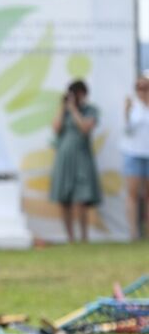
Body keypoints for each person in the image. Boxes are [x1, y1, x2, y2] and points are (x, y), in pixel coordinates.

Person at [50, 79, 101, 244]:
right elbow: (56, 129)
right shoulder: (64, 111)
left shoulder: (90, 110)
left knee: (82, 199)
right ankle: (70, 238)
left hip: (82, 156)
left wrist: (73, 110)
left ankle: (84, 237)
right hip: (64, 157)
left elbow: (85, 128)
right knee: (65, 199)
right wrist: (63, 108)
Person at [122, 73, 149, 240]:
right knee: (132, 194)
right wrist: (126, 113)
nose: (142, 91)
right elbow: (127, 130)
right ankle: (133, 233)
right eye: (139, 87)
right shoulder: (133, 107)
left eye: (145, 87)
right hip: (134, 154)